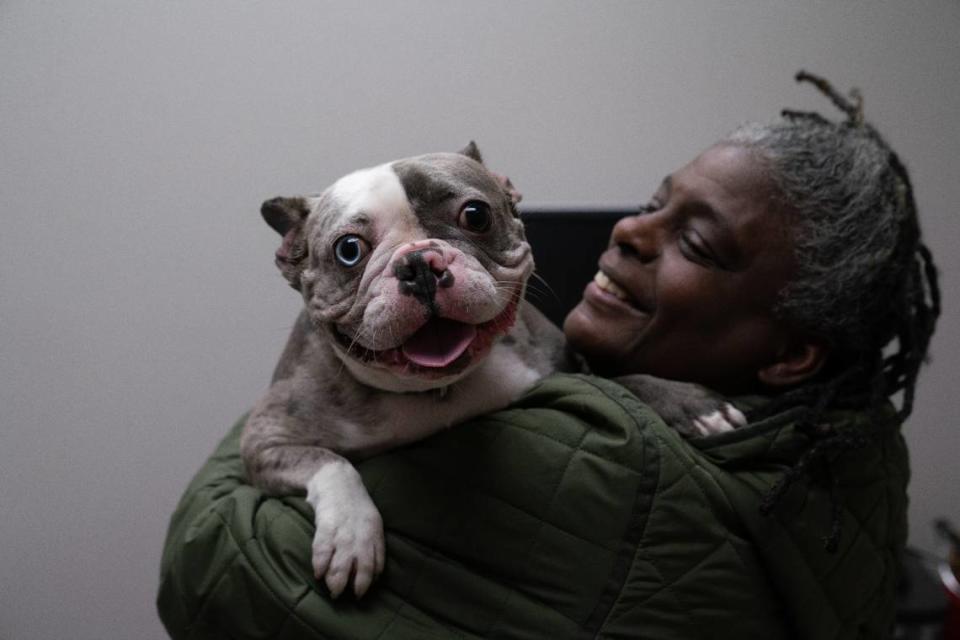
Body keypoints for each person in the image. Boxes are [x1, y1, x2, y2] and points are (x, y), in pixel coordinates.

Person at [157, 72, 940, 639]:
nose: (631, 231)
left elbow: (209, 562)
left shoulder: (600, 464)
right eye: (653, 203)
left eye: (695, 241)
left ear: (794, 352)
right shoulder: (841, 436)